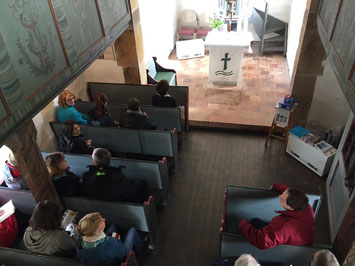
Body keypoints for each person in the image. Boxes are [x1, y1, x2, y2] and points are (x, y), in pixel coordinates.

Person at [238, 183, 314, 250]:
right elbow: (289, 192)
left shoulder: (283, 226)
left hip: (288, 249)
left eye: (282, 199)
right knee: (255, 221)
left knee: (253, 223)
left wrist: (243, 225)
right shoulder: (305, 206)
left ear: (290, 207)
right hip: (299, 239)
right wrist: (277, 187)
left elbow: (262, 241)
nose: (280, 196)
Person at [76, 212, 144, 266]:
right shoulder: (111, 244)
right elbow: (122, 253)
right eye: (101, 221)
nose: (104, 219)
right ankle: (141, 248)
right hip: (121, 258)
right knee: (132, 230)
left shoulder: (79, 243)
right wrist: (117, 240)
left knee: (112, 227)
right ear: (98, 231)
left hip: (101, 259)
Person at [82, 148, 148, 203]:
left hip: (96, 202)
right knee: (142, 181)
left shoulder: (86, 176)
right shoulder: (117, 175)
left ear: (95, 162)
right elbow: (128, 193)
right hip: (118, 201)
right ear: (109, 160)